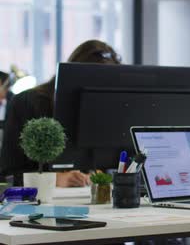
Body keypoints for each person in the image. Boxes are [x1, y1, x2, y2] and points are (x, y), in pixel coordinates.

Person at [0, 40, 122, 187]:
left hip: (88, 199)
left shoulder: (106, 111)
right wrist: (54, 179)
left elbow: (110, 162)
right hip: (41, 203)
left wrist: (100, 174)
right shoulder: (27, 103)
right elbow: (8, 176)